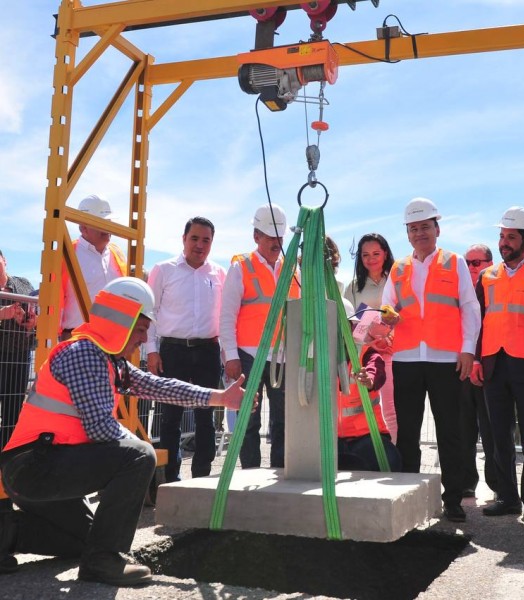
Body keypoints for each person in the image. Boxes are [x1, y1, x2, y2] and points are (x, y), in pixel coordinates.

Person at [0, 277, 244, 585]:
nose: (144, 339)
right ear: (123, 322)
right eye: (141, 329)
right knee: (139, 455)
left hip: (41, 468)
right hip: (33, 467)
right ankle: (103, 562)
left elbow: (159, 386)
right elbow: (101, 427)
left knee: (86, 538)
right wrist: (142, 460)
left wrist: (219, 397)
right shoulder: (84, 354)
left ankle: (6, 535)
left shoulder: (108, 361)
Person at [381, 197, 480, 523]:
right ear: (407, 234)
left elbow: (469, 307)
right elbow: (387, 308)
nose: (420, 233)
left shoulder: (455, 262)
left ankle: (452, 499)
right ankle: (409, 494)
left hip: (445, 360)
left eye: (425, 226)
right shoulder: (398, 268)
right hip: (407, 358)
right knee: (406, 433)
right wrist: (389, 318)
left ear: (436, 229)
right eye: (413, 228)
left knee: (449, 432)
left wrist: (467, 349)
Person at [472, 207, 524, 524]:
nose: (504, 243)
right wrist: (478, 359)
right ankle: (507, 497)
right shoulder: (487, 276)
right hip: (494, 364)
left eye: (511, 237)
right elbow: (479, 321)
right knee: (498, 436)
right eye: (502, 237)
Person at [146, 217, 225, 482]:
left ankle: (202, 478)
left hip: (208, 352)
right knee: (169, 418)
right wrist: (152, 352)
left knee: (206, 418)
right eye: (195, 238)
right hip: (173, 352)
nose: (200, 245)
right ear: (183, 239)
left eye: (206, 240)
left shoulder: (219, 274)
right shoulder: (163, 270)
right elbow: (149, 312)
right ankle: (169, 479)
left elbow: (225, 316)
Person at [220, 204, 300, 469]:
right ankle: (249, 474)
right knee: (248, 421)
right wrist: (231, 356)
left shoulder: (293, 270)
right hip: (248, 355)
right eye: (269, 237)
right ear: (256, 236)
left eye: (279, 237)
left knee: (283, 421)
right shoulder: (240, 267)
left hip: (282, 356)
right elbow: (227, 316)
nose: (276, 242)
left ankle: (279, 475)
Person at [344, 233, 397, 442]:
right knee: (372, 406)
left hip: (393, 353)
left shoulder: (396, 280)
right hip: (365, 355)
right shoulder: (354, 286)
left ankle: (395, 456)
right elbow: (348, 320)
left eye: (376, 253)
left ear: (385, 253)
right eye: (365, 254)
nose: (371, 258)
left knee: (391, 407)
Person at [337, 299, 401, 472]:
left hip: (367, 436)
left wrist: (370, 380)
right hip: (332, 439)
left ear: (352, 327)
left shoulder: (366, 354)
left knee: (389, 462)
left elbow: (376, 370)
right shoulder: (316, 359)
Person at [460, 243, 498, 498]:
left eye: (476, 263)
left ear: (489, 264)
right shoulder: (458, 291)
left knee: (493, 432)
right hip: (461, 369)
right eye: (467, 263)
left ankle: (498, 487)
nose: (471, 268)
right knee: (463, 430)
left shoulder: (497, 290)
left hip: (489, 370)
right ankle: (465, 484)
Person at [61, 194, 126, 339]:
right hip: (76, 339)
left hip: (113, 338)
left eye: (109, 222)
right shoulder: (68, 254)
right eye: (102, 223)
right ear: (83, 228)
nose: (108, 228)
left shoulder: (117, 254)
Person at [0, 249, 37, 451]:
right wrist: (2, 314)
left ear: (4, 260)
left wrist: (32, 321)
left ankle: (7, 458)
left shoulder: (23, 284)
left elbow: (38, 310)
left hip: (19, 358)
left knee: (13, 411)